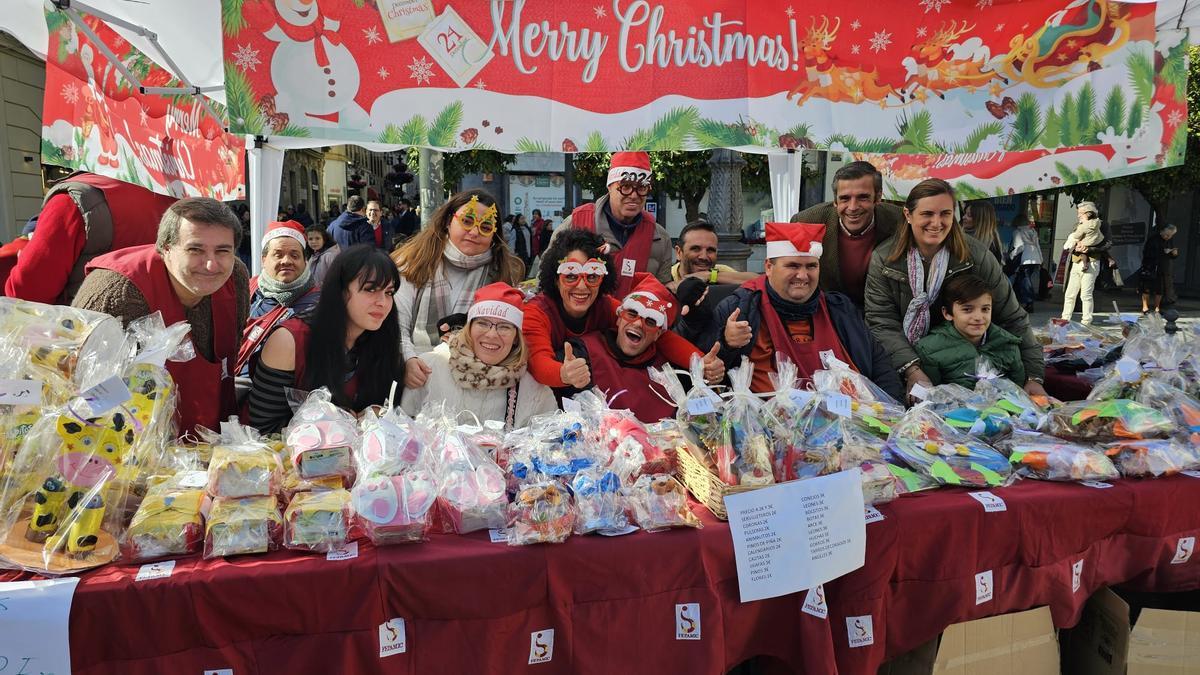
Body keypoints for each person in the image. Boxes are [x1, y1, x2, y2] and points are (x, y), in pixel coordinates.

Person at [73, 197, 248, 435]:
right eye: (195, 249)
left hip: (211, 440)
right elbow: (84, 393)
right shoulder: (116, 291)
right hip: (130, 443)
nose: (211, 264)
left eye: (223, 251)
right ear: (165, 249)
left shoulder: (235, 277)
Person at [864, 179, 1045, 403]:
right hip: (901, 362)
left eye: (945, 214)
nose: (936, 222)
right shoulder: (885, 259)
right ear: (908, 215)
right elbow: (882, 323)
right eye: (927, 214)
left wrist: (1035, 376)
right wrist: (912, 368)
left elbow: (1012, 317)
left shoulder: (975, 257)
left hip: (962, 370)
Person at [685, 222, 901, 398]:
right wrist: (727, 343)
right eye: (793, 266)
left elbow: (879, 364)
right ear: (769, 267)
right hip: (771, 429)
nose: (803, 276)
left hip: (852, 424)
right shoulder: (740, 308)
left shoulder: (840, 308)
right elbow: (705, 369)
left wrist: (894, 412)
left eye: (811, 266)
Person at [523, 228, 720, 389]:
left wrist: (701, 363)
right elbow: (538, 362)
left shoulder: (604, 305)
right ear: (556, 279)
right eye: (571, 276)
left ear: (603, 279)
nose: (582, 286)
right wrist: (563, 374)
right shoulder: (537, 312)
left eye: (592, 276)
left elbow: (658, 333)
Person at [248, 244, 403, 434]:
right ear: (339, 291)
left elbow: (385, 407)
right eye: (370, 289)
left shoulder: (382, 338)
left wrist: (376, 414)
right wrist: (334, 425)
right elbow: (262, 428)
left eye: (389, 292)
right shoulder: (289, 341)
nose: (382, 302)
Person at [393, 189, 525, 388]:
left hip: (475, 385)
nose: (474, 232)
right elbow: (396, 323)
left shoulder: (504, 274)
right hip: (417, 377)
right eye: (467, 221)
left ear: (494, 235)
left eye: (485, 226)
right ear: (448, 221)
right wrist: (408, 360)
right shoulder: (411, 262)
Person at [563, 277, 724, 423]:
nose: (639, 324)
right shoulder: (583, 352)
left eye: (650, 321)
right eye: (632, 314)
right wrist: (563, 374)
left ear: (658, 334)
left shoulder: (670, 368)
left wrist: (709, 367)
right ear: (618, 318)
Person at [6, 171, 177, 304]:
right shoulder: (176, 198)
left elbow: (25, 295)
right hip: (160, 335)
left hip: (81, 336)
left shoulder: (72, 201)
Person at [400, 283, 556, 429]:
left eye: (504, 327)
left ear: (516, 336)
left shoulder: (535, 392)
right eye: (483, 323)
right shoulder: (430, 367)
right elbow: (401, 426)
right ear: (469, 327)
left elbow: (548, 447)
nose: (492, 334)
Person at [556, 151, 673, 294]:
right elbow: (546, 281)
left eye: (642, 188)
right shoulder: (575, 223)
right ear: (610, 186)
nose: (634, 195)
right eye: (626, 187)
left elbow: (661, 294)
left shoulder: (660, 237)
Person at [790, 161, 903, 308]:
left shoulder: (901, 222)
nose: (853, 207)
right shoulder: (806, 222)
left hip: (881, 313)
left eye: (862, 197)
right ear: (835, 200)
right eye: (845, 198)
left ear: (878, 197)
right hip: (824, 312)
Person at [236, 221, 322, 376]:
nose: (286, 261)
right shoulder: (248, 286)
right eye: (278, 254)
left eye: (294, 255)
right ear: (263, 259)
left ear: (305, 261)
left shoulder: (317, 304)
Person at [914, 274, 1025, 389]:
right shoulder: (930, 349)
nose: (978, 317)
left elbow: (1018, 389)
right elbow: (931, 396)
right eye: (967, 310)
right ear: (947, 313)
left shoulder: (1007, 343)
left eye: (985, 309)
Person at [666, 221, 758, 292]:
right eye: (696, 249)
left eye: (710, 250)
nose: (704, 257)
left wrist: (710, 276)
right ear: (678, 252)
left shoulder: (718, 272)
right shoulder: (664, 277)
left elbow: (760, 282)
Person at [1060, 201, 1110, 325]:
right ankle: (1064, 319)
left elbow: (1108, 243)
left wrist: (1090, 249)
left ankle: (1086, 321)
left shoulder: (1102, 225)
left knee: (1086, 294)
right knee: (1070, 294)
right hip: (1076, 262)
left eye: (1080, 213)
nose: (1078, 216)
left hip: (1092, 262)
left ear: (1089, 213)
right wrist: (1075, 248)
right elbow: (1071, 240)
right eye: (1078, 213)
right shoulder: (1078, 225)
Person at [1139, 223, 1180, 313]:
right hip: (1150, 265)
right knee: (1147, 287)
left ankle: (1157, 307)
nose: (1167, 237)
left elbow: (1173, 254)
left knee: (1160, 288)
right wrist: (1162, 252)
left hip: (1163, 266)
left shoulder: (1170, 241)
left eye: (1170, 235)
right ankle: (1145, 307)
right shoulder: (1153, 239)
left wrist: (1174, 253)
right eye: (1166, 234)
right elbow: (1146, 253)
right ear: (1162, 231)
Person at [1007, 215, 1043, 313]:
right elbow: (1037, 246)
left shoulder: (1018, 232)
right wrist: (1041, 259)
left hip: (1024, 259)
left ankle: (1029, 301)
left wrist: (1011, 256)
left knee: (1025, 280)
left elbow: (1019, 247)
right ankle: (1027, 301)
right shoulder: (1033, 232)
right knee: (1026, 279)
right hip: (1035, 259)